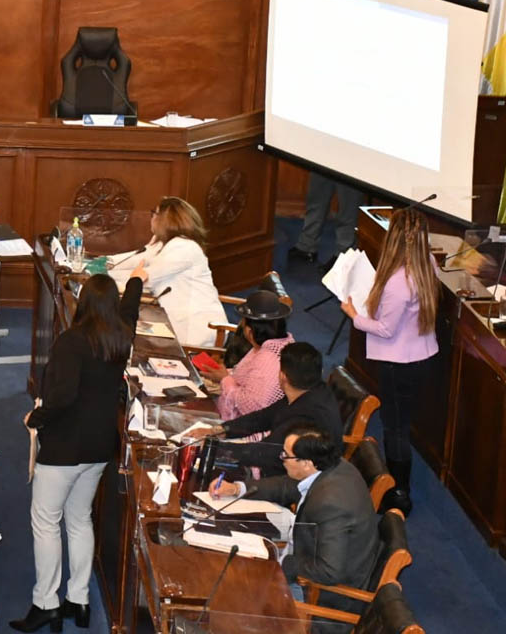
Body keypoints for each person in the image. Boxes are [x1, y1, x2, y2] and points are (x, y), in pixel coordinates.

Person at [11, 273, 142, 633]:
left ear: (83, 302)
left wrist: (35, 418)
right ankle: (79, 599)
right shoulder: (121, 338)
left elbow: (63, 396)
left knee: (45, 522)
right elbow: (130, 310)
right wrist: (135, 281)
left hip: (65, 446)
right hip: (99, 447)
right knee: (80, 519)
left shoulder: (72, 342)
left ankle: (46, 602)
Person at [209, 424, 377, 627]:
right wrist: (237, 488)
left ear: (306, 463)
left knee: (230, 596)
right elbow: (287, 485)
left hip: (317, 596)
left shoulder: (331, 503)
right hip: (304, 555)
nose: (281, 458)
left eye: (285, 455)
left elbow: (330, 571)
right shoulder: (330, 465)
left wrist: (281, 565)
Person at [341, 208, 438, 516]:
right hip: (421, 357)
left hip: (398, 364)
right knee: (402, 425)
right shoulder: (428, 265)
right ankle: (398, 486)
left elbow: (384, 328)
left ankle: (398, 493)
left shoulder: (398, 282)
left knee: (395, 429)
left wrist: (354, 316)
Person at [191, 342, 342, 478]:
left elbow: (264, 453)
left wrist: (213, 447)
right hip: (279, 465)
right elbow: (263, 417)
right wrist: (217, 431)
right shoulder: (309, 390)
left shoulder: (307, 416)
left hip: (291, 482)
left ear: (282, 376)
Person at [111, 196, 227, 346]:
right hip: (175, 319)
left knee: (125, 331)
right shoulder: (162, 243)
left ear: (165, 219)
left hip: (197, 329)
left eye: (154, 213)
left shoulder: (184, 248)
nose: (151, 217)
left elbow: (145, 278)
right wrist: (104, 263)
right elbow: (137, 259)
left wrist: (104, 276)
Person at [198, 291, 295, 421]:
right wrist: (224, 374)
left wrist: (225, 379)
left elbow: (250, 406)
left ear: (249, 332)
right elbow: (250, 377)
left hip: (245, 428)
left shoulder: (268, 360)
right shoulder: (278, 344)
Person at [288, 172, 365, 270]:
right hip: (325, 158)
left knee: (348, 208)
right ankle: (307, 245)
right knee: (316, 198)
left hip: (354, 161)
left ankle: (344, 256)